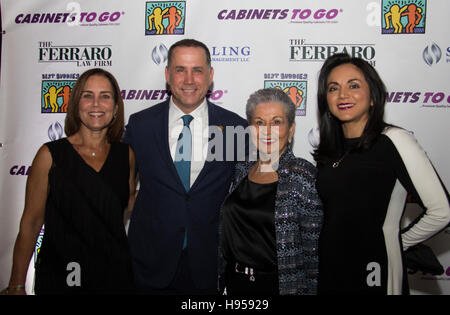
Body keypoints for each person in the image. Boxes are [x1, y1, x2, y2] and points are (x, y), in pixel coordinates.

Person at [314, 53, 450, 295]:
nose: (343, 95)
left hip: (375, 266)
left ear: (373, 96)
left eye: (353, 85)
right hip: (332, 266)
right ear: (326, 99)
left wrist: (398, 242)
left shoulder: (394, 140)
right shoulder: (330, 149)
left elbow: (442, 211)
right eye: (333, 88)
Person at [123, 39, 248, 294]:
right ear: (168, 74)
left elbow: (249, 195)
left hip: (208, 266)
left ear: (210, 75)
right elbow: (116, 190)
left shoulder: (233, 128)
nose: (189, 79)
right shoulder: (141, 126)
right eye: (180, 69)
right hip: (149, 264)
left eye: (197, 70)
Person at [4, 68, 136, 294]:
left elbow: (126, 207)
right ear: (76, 104)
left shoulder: (127, 155)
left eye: (105, 96)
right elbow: (31, 222)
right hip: (61, 278)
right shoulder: (50, 155)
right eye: (87, 95)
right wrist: (16, 284)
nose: (96, 104)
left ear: (115, 108)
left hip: (114, 277)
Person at [218, 88, 323, 295]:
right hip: (234, 283)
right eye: (259, 122)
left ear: (291, 129)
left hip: (280, 287)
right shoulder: (242, 167)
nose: (267, 131)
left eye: (276, 122)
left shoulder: (303, 176)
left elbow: (314, 253)